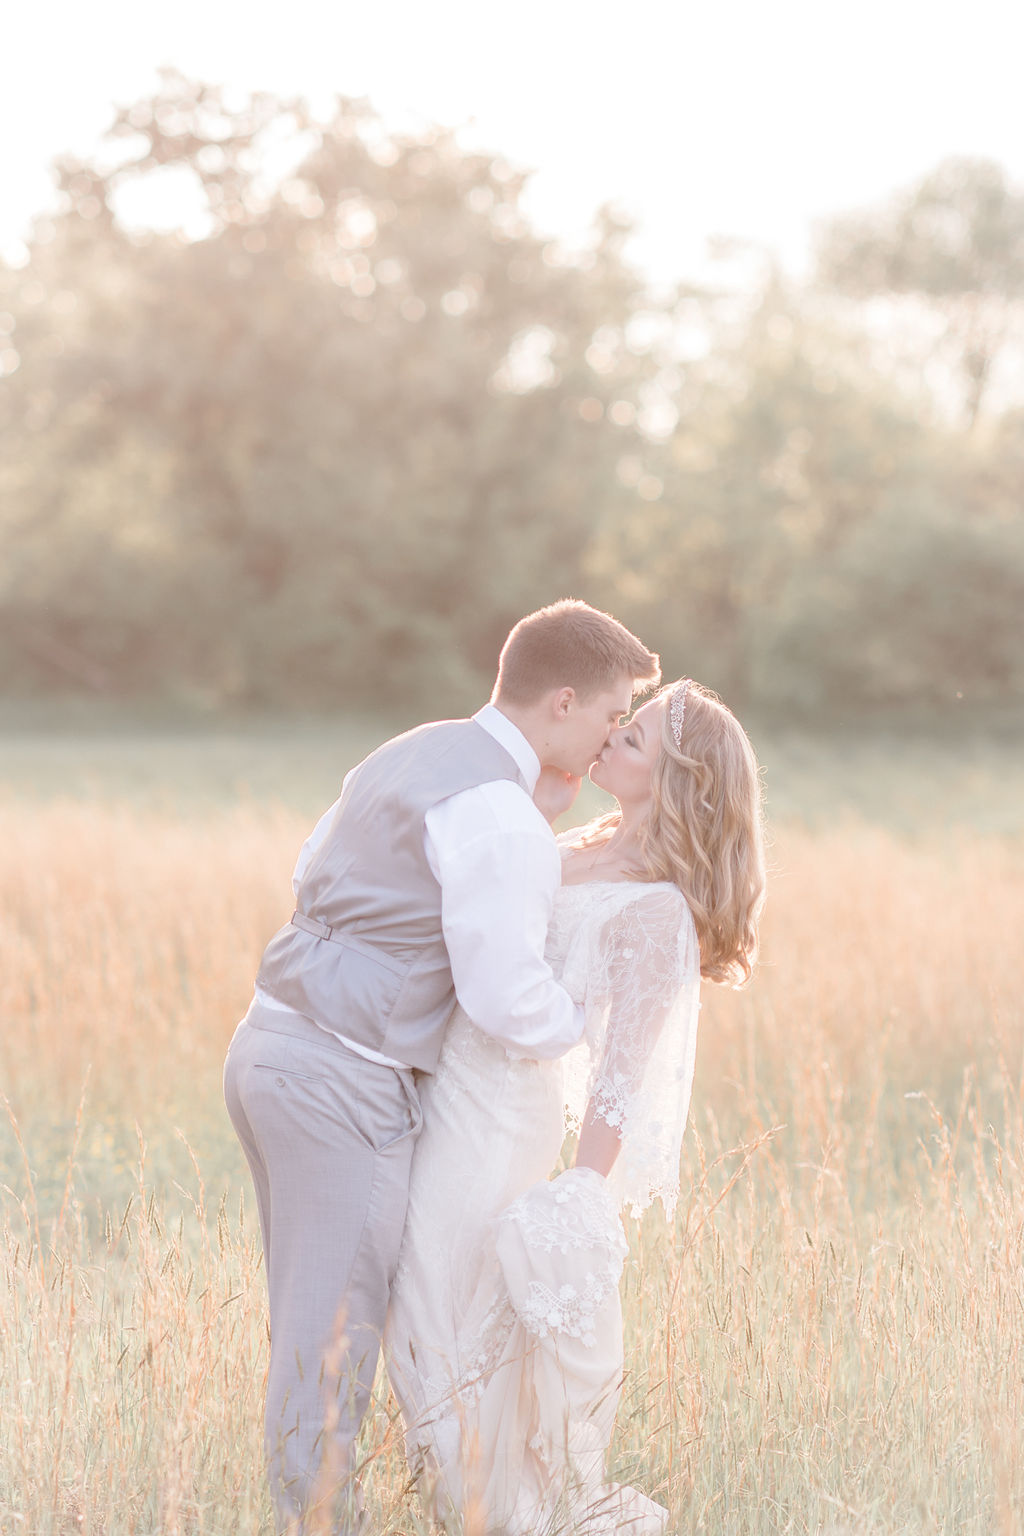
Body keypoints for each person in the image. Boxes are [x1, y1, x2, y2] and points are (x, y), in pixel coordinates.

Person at [222, 599, 660, 1532]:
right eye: (611, 713)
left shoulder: (416, 751)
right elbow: (504, 996)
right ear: (565, 701)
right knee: (333, 1339)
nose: (612, 735)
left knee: (311, 1325)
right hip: (342, 1077)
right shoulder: (498, 817)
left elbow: (315, 870)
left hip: (268, 1047)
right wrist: (588, 1018)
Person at [386, 677, 766, 1534]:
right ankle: (465, 1507)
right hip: (443, 1088)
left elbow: (620, 1073)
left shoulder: (657, 910)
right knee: (416, 1311)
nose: (613, 737)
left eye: (635, 740)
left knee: (446, 1321)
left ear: (680, 782)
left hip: (497, 1119)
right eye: (620, 726)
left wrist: (582, 1192)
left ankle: (490, 1513)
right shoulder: (577, 841)